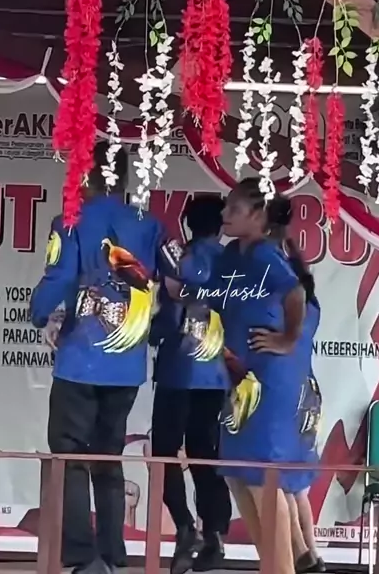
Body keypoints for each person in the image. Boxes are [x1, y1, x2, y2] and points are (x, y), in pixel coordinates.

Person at [30, 142, 165, 574]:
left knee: (69, 453)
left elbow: (59, 277)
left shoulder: (70, 222)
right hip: (126, 362)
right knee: (109, 454)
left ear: (86, 176)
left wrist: (38, 314)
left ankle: (80, 553)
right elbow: (175, 280)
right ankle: (112, 552)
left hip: (80, 358)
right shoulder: (149, 224)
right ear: (122, 177)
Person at [166, 177, 305, 574]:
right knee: (239, 477)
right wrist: (172, 280)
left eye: (234, 209)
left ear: (258, 216)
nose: (224, 214)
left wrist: (287, 339)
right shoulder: (230, 255)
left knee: (262, 478)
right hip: (237, 378)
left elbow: (295, 294)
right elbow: (204, 291)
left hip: (268, 378)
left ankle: (283, 569)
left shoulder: (266, 255)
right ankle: (270, 565)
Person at [150, 195, 232, 574]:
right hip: (215, 374)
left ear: (187, 223)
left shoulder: (179, 260)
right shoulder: (233, 264)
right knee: (205, 453)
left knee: (165, 454)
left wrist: (153, 333)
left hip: (177, 372)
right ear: (221, 226)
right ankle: (214, 533)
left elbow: (168, 319)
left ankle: (184, 526)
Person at [249, 194, 324, 573]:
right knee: (293, 484)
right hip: (305, 393)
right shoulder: (308, 295)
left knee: (273, 480)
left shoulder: (273, 281)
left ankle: (298, 555)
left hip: (281, 392)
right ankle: (309, 554)